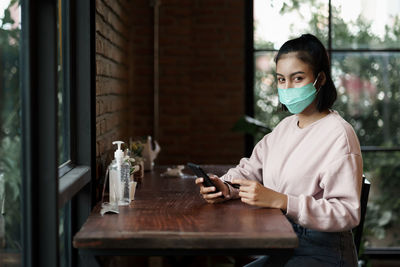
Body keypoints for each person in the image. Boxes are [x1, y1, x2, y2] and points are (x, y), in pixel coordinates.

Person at [195, 34, 363, 267]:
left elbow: (347, 213)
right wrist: (224, 187)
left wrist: (283, 201)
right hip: (284, 244)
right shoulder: (284, 129)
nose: (287, 87)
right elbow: (250, 170)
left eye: (297, 78)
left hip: (324, 251)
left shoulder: (339, 134)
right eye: (281, 80)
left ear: (320, 78)